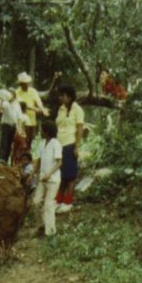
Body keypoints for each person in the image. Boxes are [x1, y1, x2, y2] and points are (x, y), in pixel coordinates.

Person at [54, 84, 85, 214]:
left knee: (70, 176)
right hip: (59, 145)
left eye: (63, 96)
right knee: (61, 175)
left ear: (70, 97)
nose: (61, 98)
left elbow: (79, 129)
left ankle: (68, 202)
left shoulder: (77, 109)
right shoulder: (61, 109)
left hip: (70, 144)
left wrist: (77, 147)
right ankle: (59, 200)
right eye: (60, 95)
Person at [34, 119, 62, 237]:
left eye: (41, 129)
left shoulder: (56, 143)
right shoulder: (41, 144)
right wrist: (33, 174)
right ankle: (41, 226)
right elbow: (39, 161)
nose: (39, 131)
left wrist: (49, 174)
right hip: (42, 178)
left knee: (48, 205)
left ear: (47, 131)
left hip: (53, 179)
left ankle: (50, 231)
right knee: (35, 202)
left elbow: (59, 162)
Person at [14, 72, 48, 149]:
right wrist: (37, 109)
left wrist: (43, 109)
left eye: (27, 83)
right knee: (21, 140)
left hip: (31, 120)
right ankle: (19, 157)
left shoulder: (33, 91)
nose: (26, 85)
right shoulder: (17, 92)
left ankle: (27, 156)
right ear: (20, 84)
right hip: (21, 120)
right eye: (24, 83)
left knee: (29, 140)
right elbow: (24, 104)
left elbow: (38, 101)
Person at [0, 88, 22, 165]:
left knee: (9, 144)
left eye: (12, 94)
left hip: (13, 126)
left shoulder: (17, 104)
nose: (10, 96)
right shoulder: (4, 103)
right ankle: (1, 160)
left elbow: (19, 117)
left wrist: (19, 128)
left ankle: (6, 161)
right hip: (6, 125)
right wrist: (1, 101)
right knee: (4, 143)